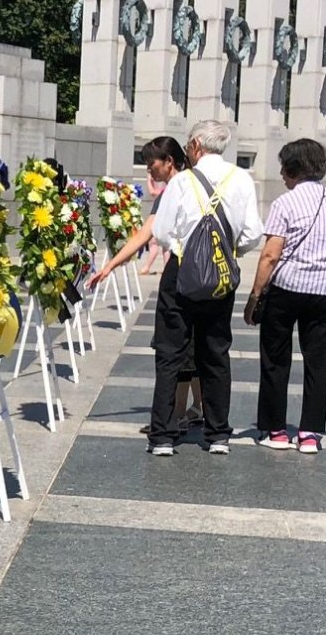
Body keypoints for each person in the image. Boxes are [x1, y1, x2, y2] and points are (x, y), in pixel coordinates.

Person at [92, 119, 264, 455]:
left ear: (197, 145)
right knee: (216, 352)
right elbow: (253, 233)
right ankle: (217, 435)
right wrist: (228, 251)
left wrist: (187, 249)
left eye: (189, 144)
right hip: (220, 274)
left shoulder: (183, 181)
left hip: (182, 273)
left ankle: (163, 437)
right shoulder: (241, 178)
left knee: (170, 354)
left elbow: (163, 231)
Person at [251, 138, 326, 454]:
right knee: (319, 361)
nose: (281, 173)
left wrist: (256, 294)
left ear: (294, 169)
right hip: (325, 289)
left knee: (275, 358)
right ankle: (309, 432)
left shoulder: (284, 203)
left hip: (286, 288)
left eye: (284, 167)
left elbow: (270, 254)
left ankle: (276, 429)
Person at [101, 137, 202, 431]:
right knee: (197, 345)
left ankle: (175, 416)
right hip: (207, 275)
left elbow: (145, 233)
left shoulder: (175, 189)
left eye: (152, 164)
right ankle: (199, 409)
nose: (150, 171)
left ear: (169, 161)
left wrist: (110, 264)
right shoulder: (198, 183)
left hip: (182, 274)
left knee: (175, 347)